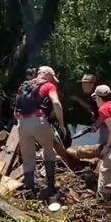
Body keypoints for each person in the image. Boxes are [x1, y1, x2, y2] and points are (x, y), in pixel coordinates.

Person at [16, 66, 66, 196]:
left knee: (28, 158)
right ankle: (50, 186)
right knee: (49, 151)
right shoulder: (48, 86)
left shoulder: (24, 85)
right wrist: (61, 124)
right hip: (38, 120)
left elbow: (17, 106)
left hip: (22, 122)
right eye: (52, 78)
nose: (54, 81)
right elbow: (56, 103)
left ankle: (30, 190)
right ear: (47, 75)